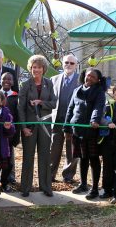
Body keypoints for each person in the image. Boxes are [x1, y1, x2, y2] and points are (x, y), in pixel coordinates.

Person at [64, 68, 106, 200]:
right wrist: (67, 127)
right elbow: (70, 109)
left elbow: (98, 107)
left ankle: (94, 189)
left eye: (93, 77)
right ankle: (83, 184)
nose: (90, 78)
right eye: (88, 76)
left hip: (91, 131)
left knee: (93, 159)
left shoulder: (99, 92)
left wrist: (94, 120)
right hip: (78, 130)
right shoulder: (77, 90)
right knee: (82, 158)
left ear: (98, 80)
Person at [19, 55, 57, 197]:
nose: (37, 69)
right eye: (34, 67)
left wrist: (40, 102)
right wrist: (23, 127)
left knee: (45, 156)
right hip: (29, 126)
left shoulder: (49, 83)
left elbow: (53, 103)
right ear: (30, 68)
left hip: (45, 125)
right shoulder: (25, 84)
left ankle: (46, 187)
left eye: (39, 67)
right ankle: (25, 188)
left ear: (44, 69)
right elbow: (20, 108)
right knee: (28, 156)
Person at [50, 54, 80, 183]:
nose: (68, 65)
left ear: (76, 66)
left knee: (72, 149)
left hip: (73, 122)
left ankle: (68, 176)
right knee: (54, 149)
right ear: (62, 64)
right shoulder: (53, 79)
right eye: (66, 62)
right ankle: (50, 175)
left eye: (72, 63)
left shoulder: (81, 80)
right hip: (57, 120)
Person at [0, 72, 20, 191]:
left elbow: (18, 117)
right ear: (0, 81)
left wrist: (16, 134)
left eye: (9, 79)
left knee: (9, 156)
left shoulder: (16, 97)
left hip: (10, 133)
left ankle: (9, 176)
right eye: (4, 79)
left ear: (13, 82)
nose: (6, 81)